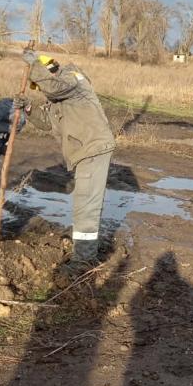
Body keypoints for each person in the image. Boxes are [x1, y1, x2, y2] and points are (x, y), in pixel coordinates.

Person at [22, 51, 115, 279]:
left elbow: (53, 86)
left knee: (86, 205)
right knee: (83, 203)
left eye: (40, 82)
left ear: (49, 71)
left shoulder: (73, 79)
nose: (42, 89)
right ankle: (85, 249)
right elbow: (47, 123)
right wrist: (28, 108)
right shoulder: (59, 98)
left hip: (93, 148)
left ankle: (84, 260)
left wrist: (33, 64)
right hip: (84, 150)